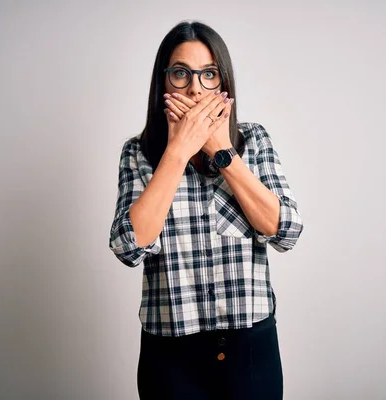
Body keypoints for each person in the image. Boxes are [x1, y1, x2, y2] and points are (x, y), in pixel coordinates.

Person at [109, 20, 304, 400]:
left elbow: (286, 230)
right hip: (170, 357)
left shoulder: (254, 140)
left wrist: (221, 151)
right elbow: (127, 246)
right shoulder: (138, 153)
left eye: (208, 74)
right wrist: (178, 151)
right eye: (181, 73)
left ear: (223, 83)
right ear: (163, 82)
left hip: (250, 349)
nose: (195, 87)